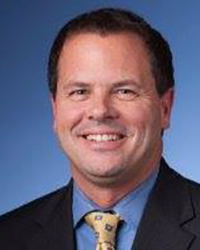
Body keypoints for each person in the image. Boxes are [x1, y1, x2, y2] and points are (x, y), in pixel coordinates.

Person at [0, 7, 200, 250]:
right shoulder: (8, 236)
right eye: (80, 92)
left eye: (124, 91)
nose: (100, 110)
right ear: (55, 110)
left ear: (165, 109)